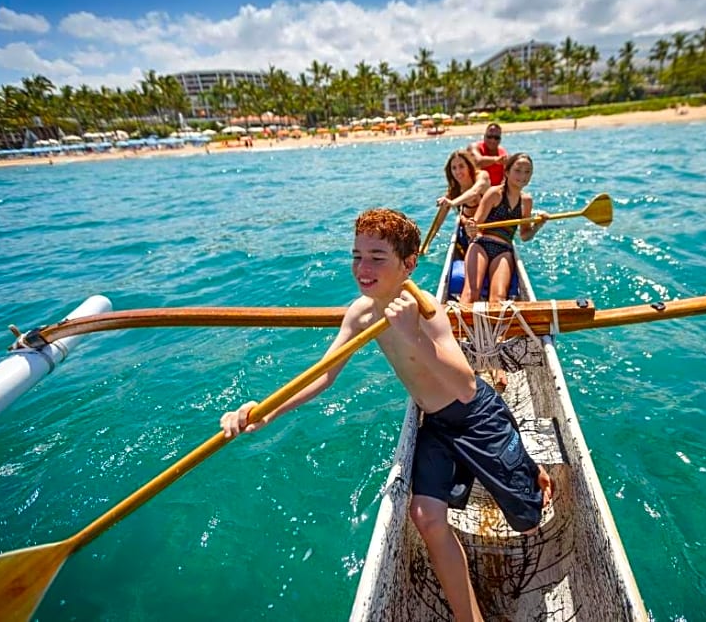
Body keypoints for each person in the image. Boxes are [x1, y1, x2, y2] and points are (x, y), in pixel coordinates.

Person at [220, 208, 552, 621]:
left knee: (527, 518)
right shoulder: (361, 312)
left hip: (477, 417)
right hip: (437, 424)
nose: (363, 268)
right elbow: (324, 376)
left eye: (378, 258)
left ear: (408, 265)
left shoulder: (424, 307)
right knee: (425, 517)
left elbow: (465, 382)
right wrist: (265, 412)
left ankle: (531, 470)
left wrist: (413, 333)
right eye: (357, 256)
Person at [460, 154, 548, 391]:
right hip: (481, 243)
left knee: (498, 299)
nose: (522, 176)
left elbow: (524, 235)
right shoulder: (493, 194)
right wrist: (470, 226)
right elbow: (475, 226)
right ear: (507, 172)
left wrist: (538, 224)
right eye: (518, 170)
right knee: (470, 292)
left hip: (504, 249)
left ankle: (495, 360)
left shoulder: (526, 201)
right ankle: (463, 354)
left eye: (527, 172)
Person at [435, 149, 491, 257]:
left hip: (490, 226)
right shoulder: (453, 192)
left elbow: (474, 192)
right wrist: (426, 245)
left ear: (469, 167)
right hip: (471, 232)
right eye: (454, 168)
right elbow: (438, 223)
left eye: (461, 166)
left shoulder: (482, 176)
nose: (458, 172)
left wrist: (452, 203)